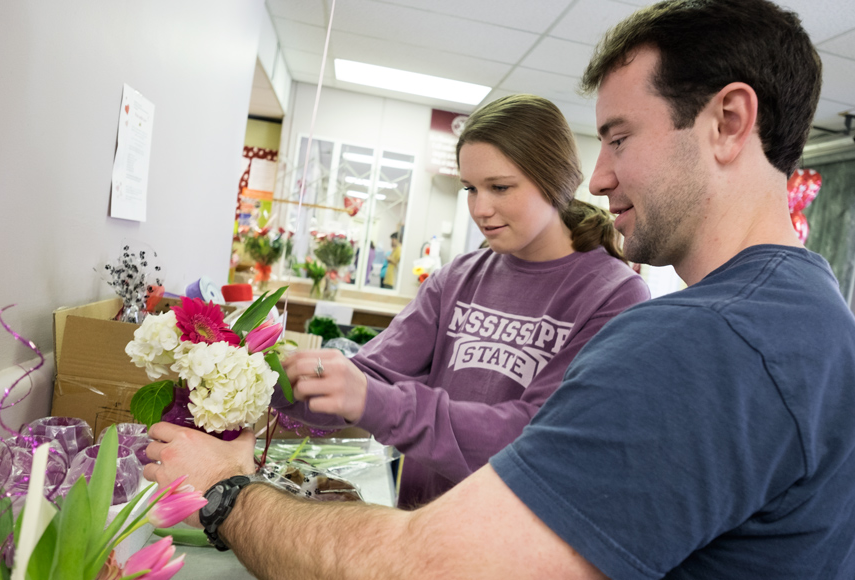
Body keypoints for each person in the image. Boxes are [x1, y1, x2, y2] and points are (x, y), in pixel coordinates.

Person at [144, 0, 855, 577]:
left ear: (729, 122)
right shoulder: (815, 320)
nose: (599, 175)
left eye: (618, 138)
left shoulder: (703, 341)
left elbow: (425, 567)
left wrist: (228, 491)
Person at [270, 94, 649, 507]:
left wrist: (375, 402)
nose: (480, 208)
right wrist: (260, 378)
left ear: (555, 181)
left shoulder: (614, 295)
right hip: (421, 522)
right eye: (470, 188)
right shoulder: (457, 278)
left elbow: (533, 436)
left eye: (499, 187)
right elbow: (371, 376)